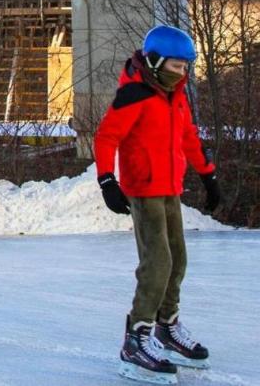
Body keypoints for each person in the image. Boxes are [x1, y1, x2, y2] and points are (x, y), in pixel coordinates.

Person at [94, 25, 220, 385]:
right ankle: (137, 337)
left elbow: (188, 136)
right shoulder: (134, 94)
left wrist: (208, 175)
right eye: (178, 66)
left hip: (169, 188)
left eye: (186, 67)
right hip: (143, 190)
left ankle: (167, 325)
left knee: (177, 257)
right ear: (156, 62)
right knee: (158, 261)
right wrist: (107, 180)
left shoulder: (174, 95)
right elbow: (106, 137)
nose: (184, 73)